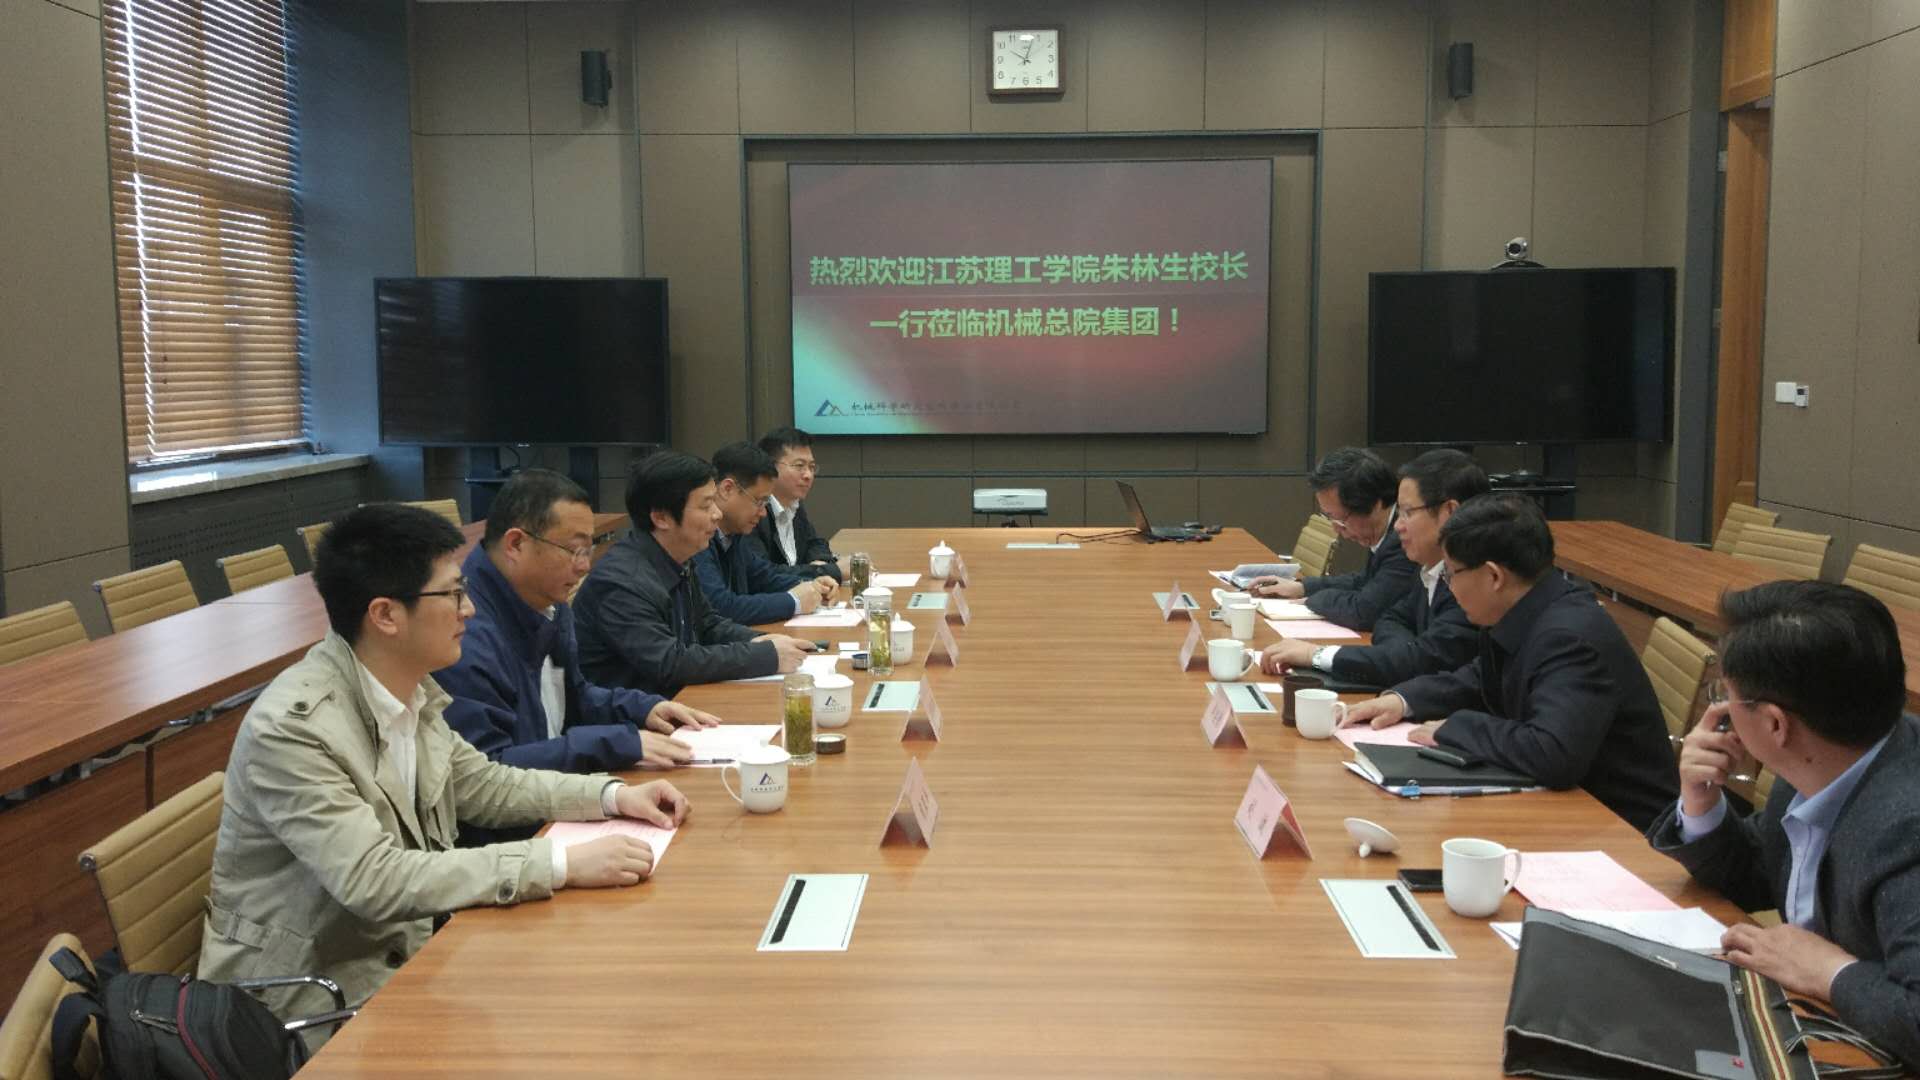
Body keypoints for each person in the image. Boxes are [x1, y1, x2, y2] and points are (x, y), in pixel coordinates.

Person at [199, 504, 689, 1042]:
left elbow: (484, 784)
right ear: (386, 615)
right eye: (453, 594)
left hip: (403, 951)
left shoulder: (405, 686)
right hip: (311, 1001)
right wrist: (559, 863)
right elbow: (374, 880)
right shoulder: (295, 730)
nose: (470, 610)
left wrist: (612, 796)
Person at [1648, 581, 1920, 1071]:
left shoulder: (1906, 829)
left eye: (1726, 695)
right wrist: (1701, 802)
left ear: (1775, 725)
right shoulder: (1825, 759)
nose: (1721, 711)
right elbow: (1760, 872)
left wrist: (1830, 971)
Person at [1342, 493, 1677, 830]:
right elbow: (1481, 679)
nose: (1450, 588)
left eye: (1451, 575)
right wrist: (1403, 701)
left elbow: (1552, 752)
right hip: (1567, 811)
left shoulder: (1569, 637)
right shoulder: (1529, 607)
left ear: (1494, 577)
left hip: (1623, 830)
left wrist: (1455, 727)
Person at [434, 470, 722, 841]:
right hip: (517, 836)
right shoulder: (462, 636)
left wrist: (642, 709)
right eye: (575, 550)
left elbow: (571, 697)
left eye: (589, 549)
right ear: (516, 544)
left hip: (560, 804)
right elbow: (490, 775)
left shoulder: (545, 598)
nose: (585, 565)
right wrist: (616, 743)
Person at [574, 450, 815, 696]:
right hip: (639, 714)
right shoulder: (622, 581)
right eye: (706, 505)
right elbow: (670, 662)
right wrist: (765, 656)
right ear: (662, 517)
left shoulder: (677, 558)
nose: (717, 514)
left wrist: (761, 640)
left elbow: (708, 624)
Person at [1260, 449, 1487, 686]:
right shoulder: (1432, 570)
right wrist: (1403, 655)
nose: (1398, 526)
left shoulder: (1472, 582)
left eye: (1408, 513)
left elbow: (1375, 618)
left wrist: (1315, 654)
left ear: (1449, 513)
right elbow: (1391, 618)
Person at [1245, 447, 1417, 631]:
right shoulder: (1383, 530)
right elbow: (1365, 580)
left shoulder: (1405, 539)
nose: (1336, 529)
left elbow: (1364, 612)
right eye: (1330, 518)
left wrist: (1313, 600)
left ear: (1375, 505)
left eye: (1341, 519)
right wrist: (1302, 587)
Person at [692, 442, 837, 626]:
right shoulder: (698, 538)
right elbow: (721, 607)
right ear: (727, 489)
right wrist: (793, 602)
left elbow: (764, 577)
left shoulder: (733, 535)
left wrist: (812, 585)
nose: (762, 513)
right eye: (759, 502)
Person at [746, 426, 841, 581]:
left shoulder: (794, 503)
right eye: (799, 466)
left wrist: (821, 563)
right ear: (770, 467)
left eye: (811, 467)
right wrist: (824, 571)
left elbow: (815, 543)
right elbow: (764, 574)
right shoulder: (754, 513)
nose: (808, 475)